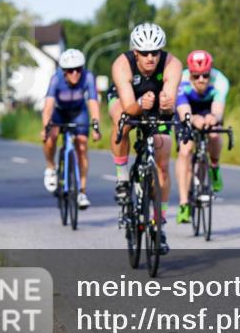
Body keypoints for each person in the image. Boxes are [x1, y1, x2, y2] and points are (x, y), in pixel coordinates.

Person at [107, 23, 182, 254]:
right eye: (145, 53)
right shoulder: (122, 64)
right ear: (135, 52)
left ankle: (159, 224)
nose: (151, 58)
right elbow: (129, 106)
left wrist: (168, 106)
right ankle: (121, 178)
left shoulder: (172, 64)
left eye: (155, 52)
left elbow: (169, 108)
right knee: (122, 120)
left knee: (162, 159)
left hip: (157, 105)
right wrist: (140, 105)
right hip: (128, 101)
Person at [174, 50, 230, 224]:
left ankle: (214, 166)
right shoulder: (180, 81)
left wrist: (213, 118)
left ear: (210, 72)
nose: (201, 80)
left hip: (208, 108)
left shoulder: (220, 81)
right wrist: (193, 120)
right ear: (189, 73)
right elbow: (183, 110)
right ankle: (184, 203)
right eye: (196, 75)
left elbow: (218, 109)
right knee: (186, 150)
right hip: (187, 110)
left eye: (205, 75)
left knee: (214, 133)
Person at [41, 48, 101, 209]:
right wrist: (45, 126)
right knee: (50, 136)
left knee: (82, 145)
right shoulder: (56, 79)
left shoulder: (88, 77)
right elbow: (48, 106)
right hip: (59, 112)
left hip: (78, 112)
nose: (75, 73)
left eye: (78, 69)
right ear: (64, 71)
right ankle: (50, 167)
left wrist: (96, 126)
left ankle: (82, 192)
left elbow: (93, 102)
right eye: (70, 70)